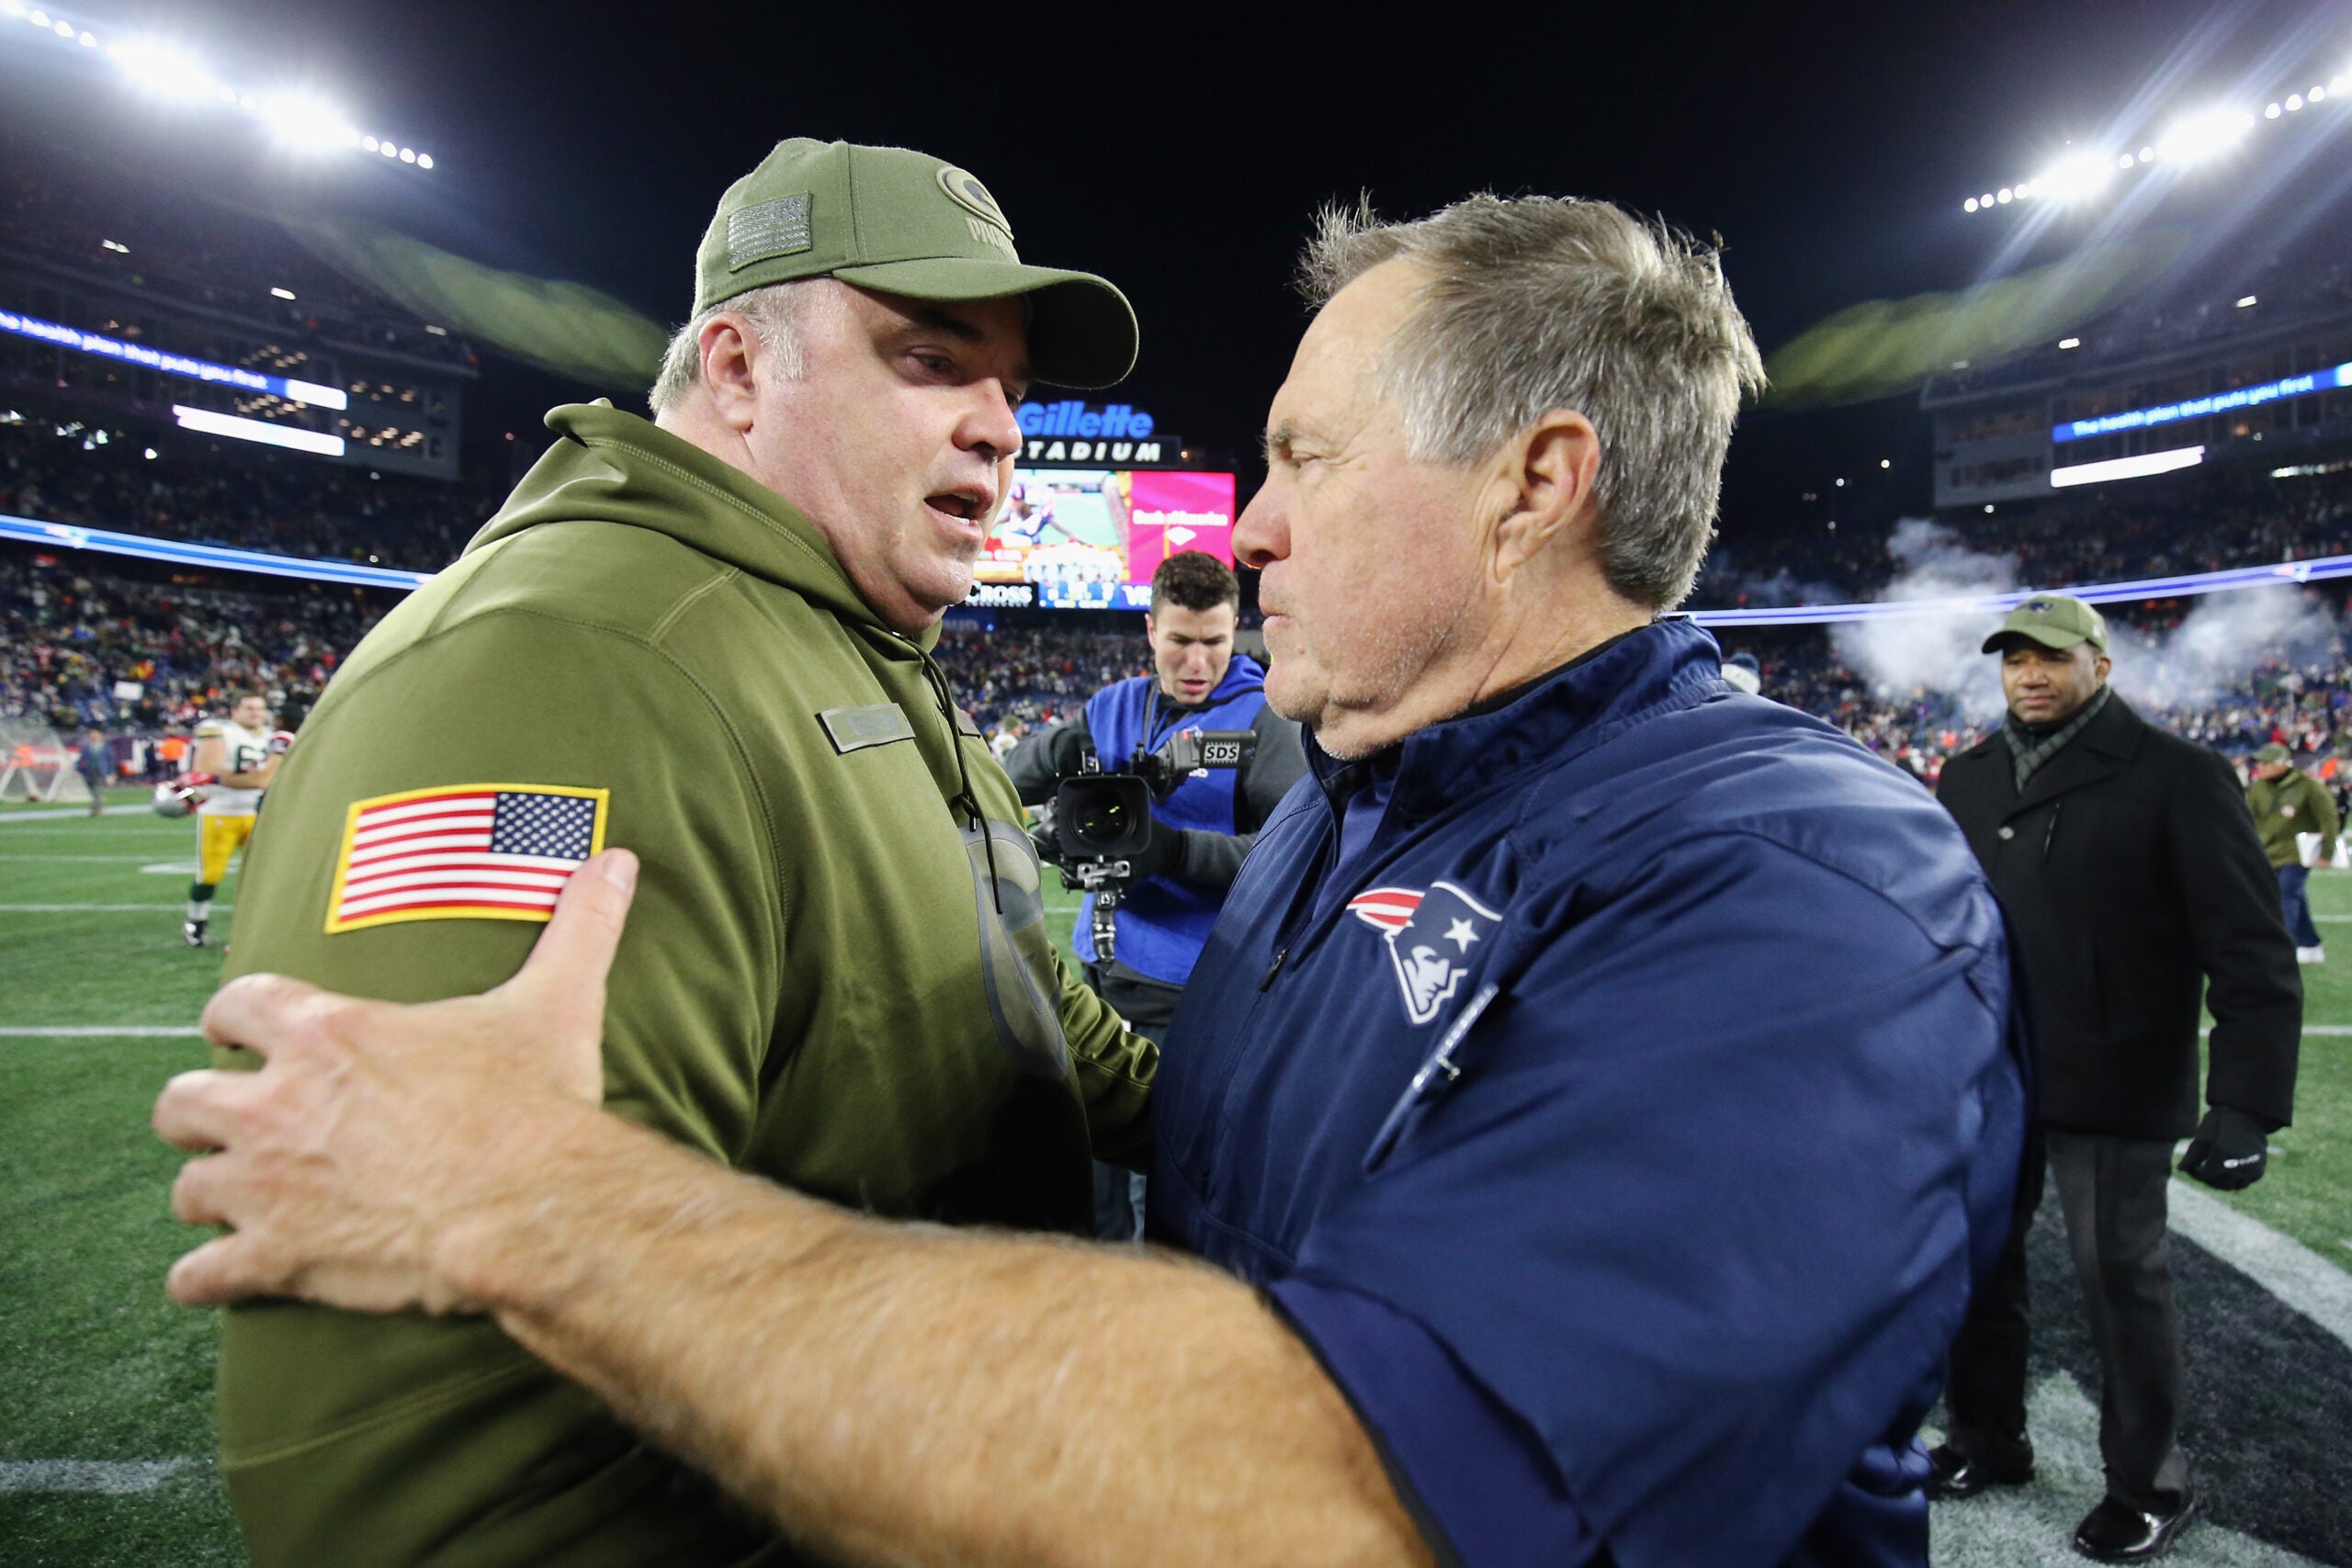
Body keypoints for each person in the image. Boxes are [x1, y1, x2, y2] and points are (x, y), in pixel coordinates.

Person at [158, 193, 2027, 1568]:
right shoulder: (1348, 794)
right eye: (923, 360)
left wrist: (536, 1200)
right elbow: (1177, 1101)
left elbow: (1340, 1485)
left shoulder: (1794, 881)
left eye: (1299, 454)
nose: (1247, 523)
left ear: (1532, 486)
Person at [181, 137, 1156, 1568]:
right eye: (930, 359)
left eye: (1012, 384)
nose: (1001, 425)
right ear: (742, 370)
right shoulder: (563, 664)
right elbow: (430, 1447)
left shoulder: (845, 633)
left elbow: (1019, 1001)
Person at [1929, 593, 2301, 1563]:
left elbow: (2251, 951)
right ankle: (1984, 1434)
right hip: (1988, 1067)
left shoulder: (2179, 777)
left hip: (2119, 1073)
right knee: (1975, 1263)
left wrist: (2245, 1103)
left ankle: (2149, 1483)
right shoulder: (1963, 778)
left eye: (2049, 656)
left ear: (2099, 662)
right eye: (2012, 659)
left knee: (2118, 1281)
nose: (2029, 674)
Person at [1005, 547, 1306, 1236]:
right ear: (1151, 631)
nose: (1197, 662)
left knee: (1159, 1186)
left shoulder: (1264, 720)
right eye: (1180, 641)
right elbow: (1013, 780)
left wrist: (1173, 851)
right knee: (1091, 1174)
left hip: (1194, 991)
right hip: (1096, 977)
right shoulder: (1113, 708)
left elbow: (1291, 850)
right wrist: (1052, 757)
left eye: (1214, 642)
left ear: (1237, 631)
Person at [185, 691, 279, 947]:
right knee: (211, 874)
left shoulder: (272, 737)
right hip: (220, 811)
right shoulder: (219, 730)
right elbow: (204, 770)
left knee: (261, 874)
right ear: (234, 710)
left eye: (259, 708)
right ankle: (196, 922)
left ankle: (256, 926)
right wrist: (254, 782)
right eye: (249, 708)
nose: (255, 714)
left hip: (257, 813)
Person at [2247, 740, 2338, 964]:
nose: (2261, 767)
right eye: (2260, 763)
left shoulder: (2309, 787)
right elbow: (2250, 818)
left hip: (2299, 852)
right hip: (2268, 851)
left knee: (2286, 893)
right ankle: (2311, 945)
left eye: (2267, 763)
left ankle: (2283, 947)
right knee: (2294, 895)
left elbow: (2328, 821)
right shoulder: (2259, 788)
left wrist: (2326, 853)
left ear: (2282, 764)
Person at [74, 728, 109, 816]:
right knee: (91, 788)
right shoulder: (87, 747)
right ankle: (97, 805)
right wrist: (77, 769)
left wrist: (111, 772)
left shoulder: (106, 747)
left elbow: (110, 760)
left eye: (95, 733)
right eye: (92, 734)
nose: (93, 735)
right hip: (89, 770)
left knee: (96, 788)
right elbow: (81, 759)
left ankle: (96, 807)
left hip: (100, 770)